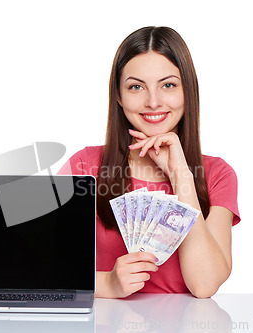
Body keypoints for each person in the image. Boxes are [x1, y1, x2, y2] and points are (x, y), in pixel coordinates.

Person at [58, 26, 240, 299]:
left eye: (168, 85)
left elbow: (204, 285)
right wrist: (107, 284)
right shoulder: (85, 166)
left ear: (187, 92)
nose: (153, 102)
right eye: (136, 87)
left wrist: (180, 175)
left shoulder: (217, 174)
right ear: (118, 96)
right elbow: (45, 267)